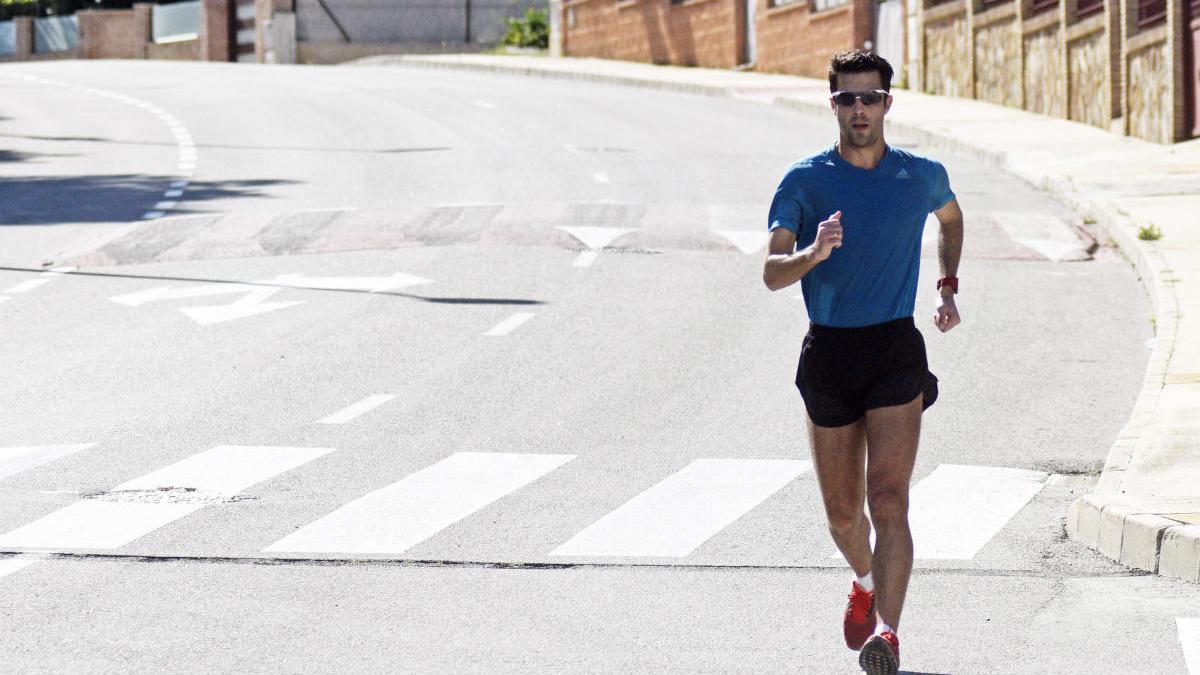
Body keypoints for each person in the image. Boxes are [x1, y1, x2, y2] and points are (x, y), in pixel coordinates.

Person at [762, 50, 963, 675]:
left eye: (869, 98)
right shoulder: (804, 181)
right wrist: (813, 254)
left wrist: (947, 283)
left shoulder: (920, 173)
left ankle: (889, 633)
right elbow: (771, 273)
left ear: (887, 105)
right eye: (846, 98)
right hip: (829, 352)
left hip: (894, 348)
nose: (858, 109)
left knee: (890, 500)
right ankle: (865, 580)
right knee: (844, 515)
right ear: (832, 105)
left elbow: (951, 218)